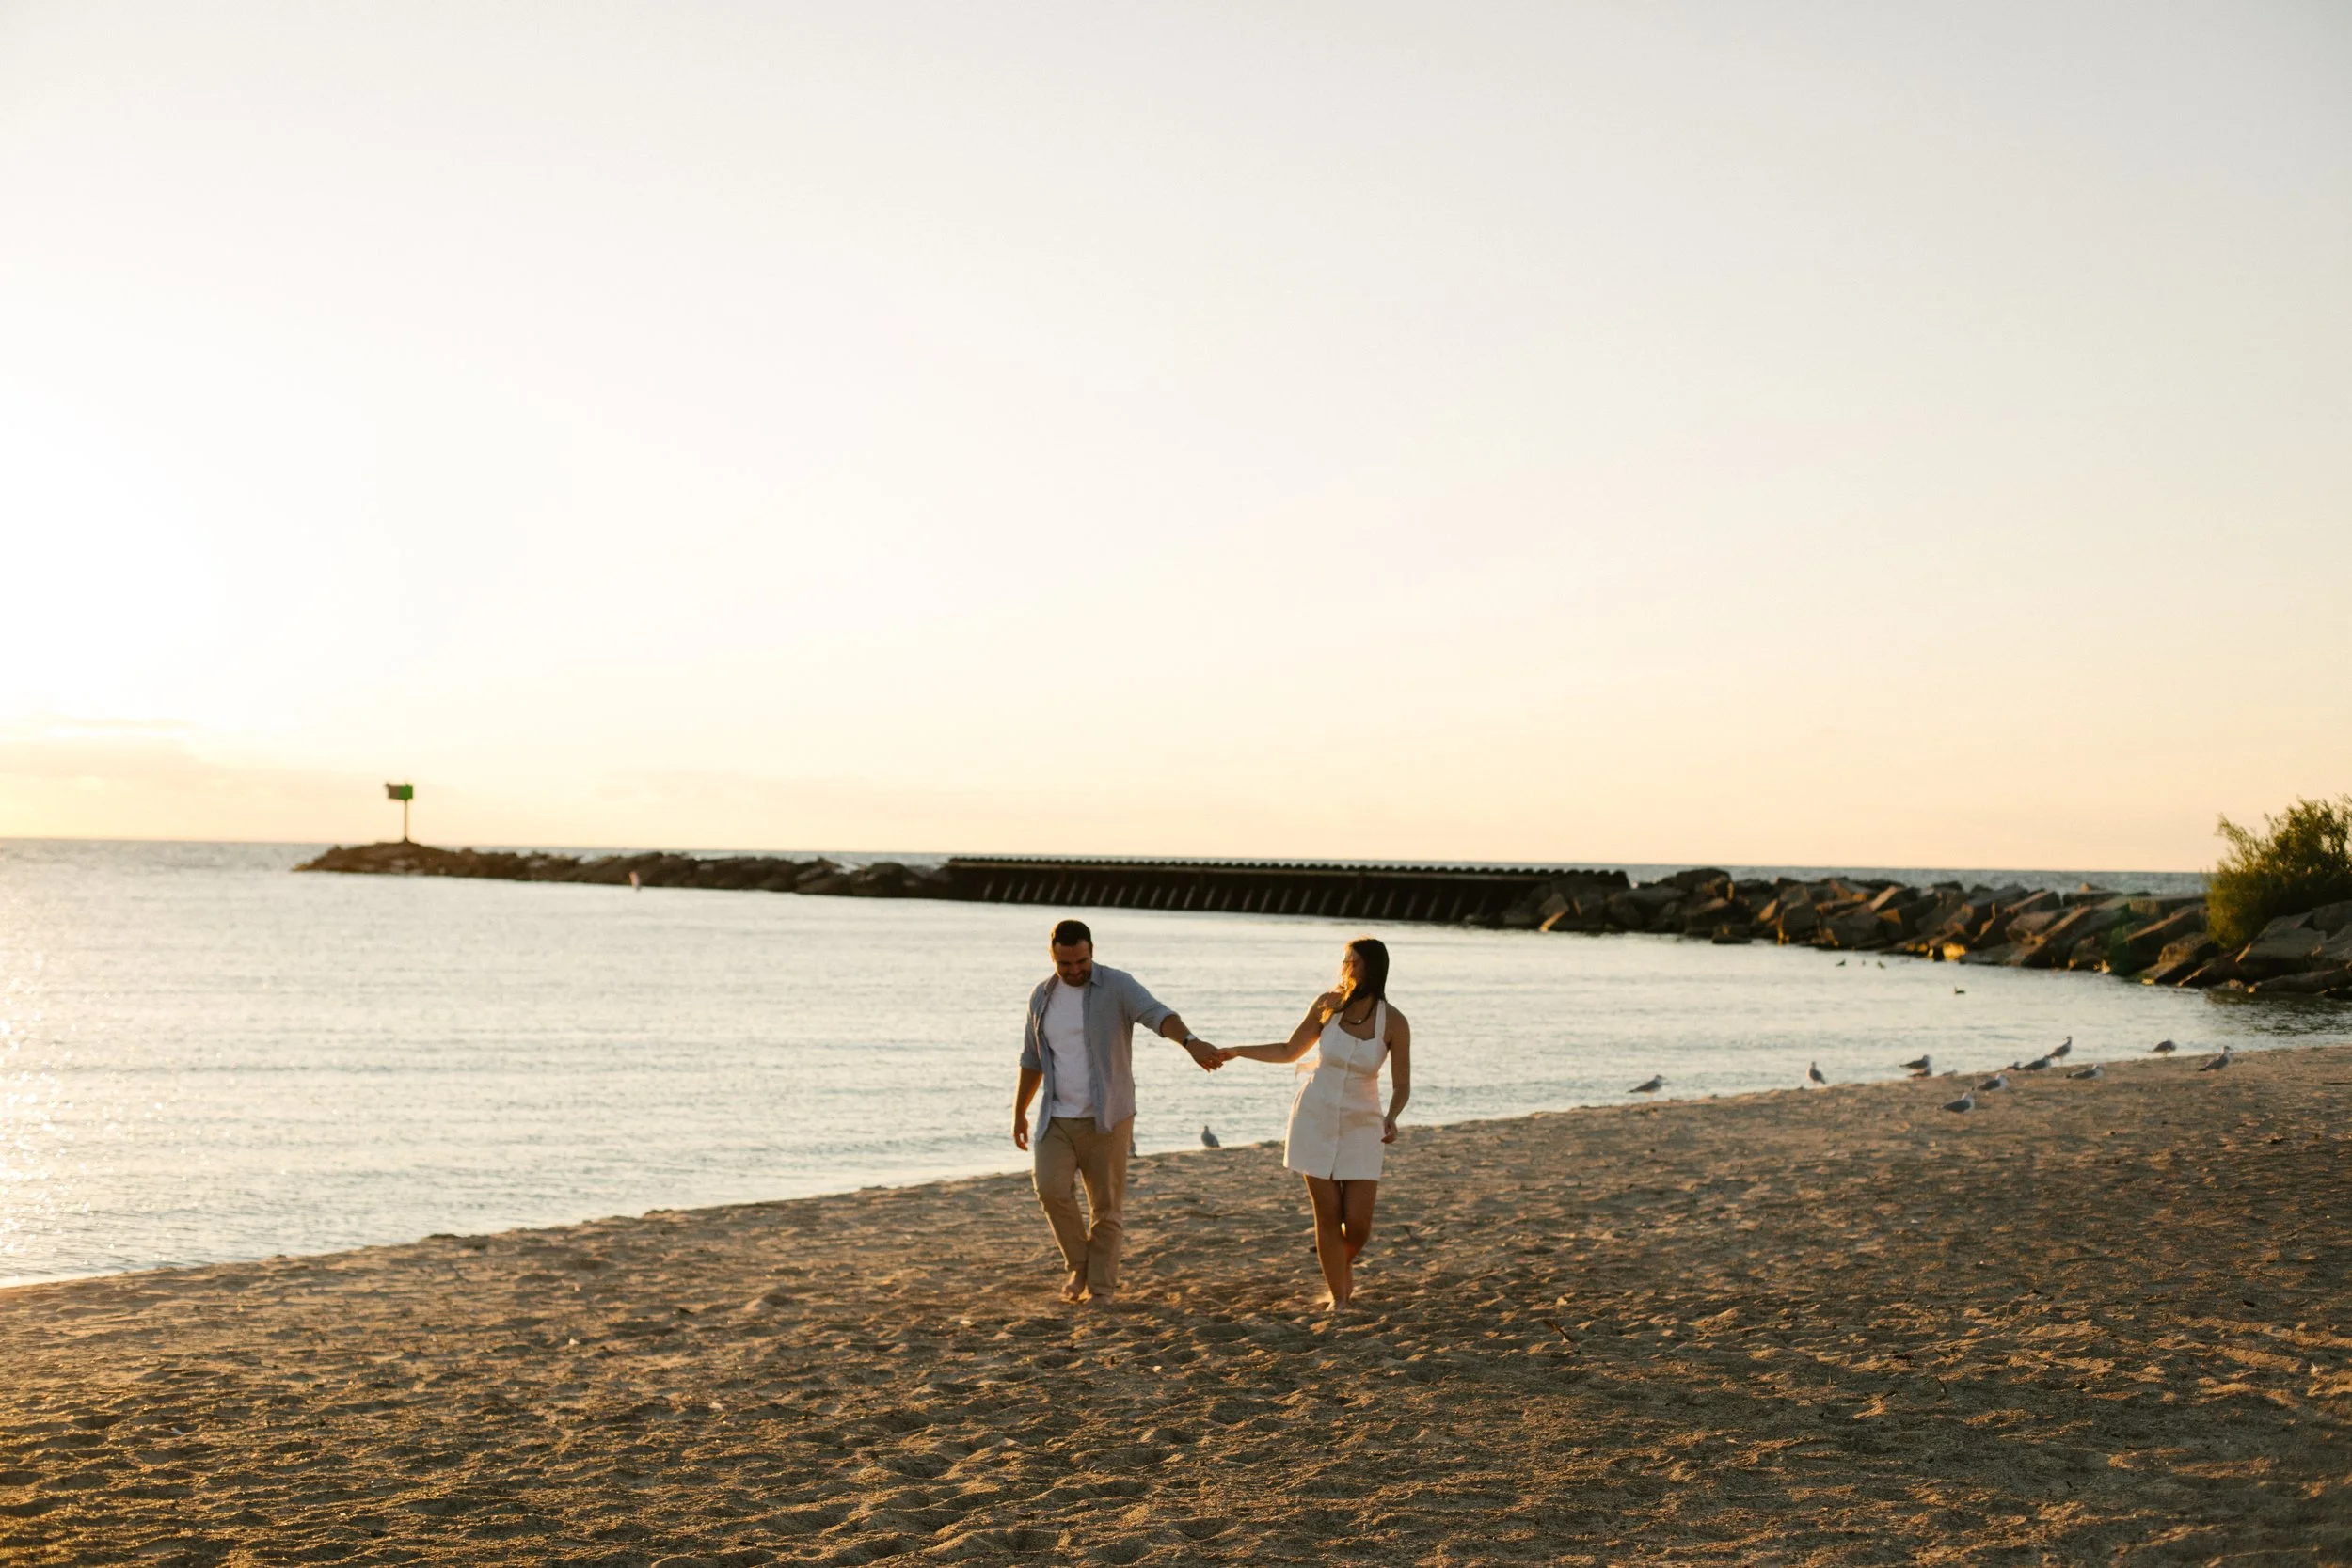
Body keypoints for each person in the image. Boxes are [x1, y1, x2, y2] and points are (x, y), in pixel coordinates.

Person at [1014, 918, 1222, 1307]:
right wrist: (1019, 1112)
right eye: (1065, 964)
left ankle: (1102, 1289)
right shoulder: (1041, 996)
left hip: (1108, 1116)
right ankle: (1079, 1264)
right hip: (1056, 1116)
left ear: (1092, 952)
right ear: (1052, 957)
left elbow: (1159, 1015)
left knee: (1106, 1208)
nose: (1074, 970)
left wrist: (1190, 1042)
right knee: (1050, 1190)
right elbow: (1031, 1059)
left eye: (1081, 962)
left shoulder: (1118, 986)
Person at [1217, 937, 1411, 1310]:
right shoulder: (1328, 1005)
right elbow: (1289, 1050)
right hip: (1313, 1117)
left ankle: (1340, 1264)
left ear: (1372, 968)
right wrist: (1239, 1051)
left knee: (1358, 1224)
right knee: (1328, 1215)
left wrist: (1392, 1116)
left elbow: (1402, 1083)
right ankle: (1338, 1298)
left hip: (1363, 1125)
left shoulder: (1395, 1022)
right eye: (1345, 960)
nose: (1345, 967)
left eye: (1352, 961)